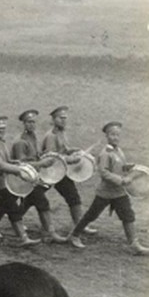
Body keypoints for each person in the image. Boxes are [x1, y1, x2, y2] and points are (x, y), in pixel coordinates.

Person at [69, 121, 148, 255]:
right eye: (112, 135)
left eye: (117, 135)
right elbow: (104, 172)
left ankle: (134, 244)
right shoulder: (105, 153)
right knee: (91, 215)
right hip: (105, 193)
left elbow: (120, 165)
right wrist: (121, 180)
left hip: (119, 193)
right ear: (107, 136)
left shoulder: (118, 150)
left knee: (128, 215)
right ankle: (74, 235)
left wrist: (129, 167)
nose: (115, 137)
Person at [0, 115, 39, 247]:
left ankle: (23, 238)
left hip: (1, 184)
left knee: (13, 209)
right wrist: (19, 171)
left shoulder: (2, 144)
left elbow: (6, 162)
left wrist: (15, 162)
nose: (1, 131)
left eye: (3, 128)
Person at [10, 109, 68, 243]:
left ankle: (4, 224)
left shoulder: (33, 136)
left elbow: (35, 155)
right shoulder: (21, 141)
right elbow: (23, 165)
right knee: (42, 203)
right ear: (23, 124)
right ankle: (50, 233)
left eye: (34, 122)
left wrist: (45, 157)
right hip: (25, 179)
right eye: (29, 122)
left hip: (33, 177)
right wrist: (42, 163)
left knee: (16, 205)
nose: (32, 125)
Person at [41, 105, 94, 234]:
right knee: (34, 196)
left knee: (73, 197)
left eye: (65, 118)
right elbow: (52, 157)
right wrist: (71, 159)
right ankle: (16, 217)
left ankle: (79, 226)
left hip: (60, 173)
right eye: (60, 118)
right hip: (49, 173)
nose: (64, 121)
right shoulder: (51, 136)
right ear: (53, 120)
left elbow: (64, 149)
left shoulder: (61, 132)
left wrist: (74, 150)